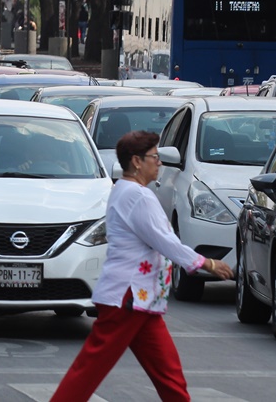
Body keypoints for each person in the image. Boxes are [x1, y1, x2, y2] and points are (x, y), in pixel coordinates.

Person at [50, 130, 233, 402]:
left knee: (168, 373)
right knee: (89, 370)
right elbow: (164, 241)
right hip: (128, 297)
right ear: (137, 161)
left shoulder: (124, 190)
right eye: (154, 157)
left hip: (141, 300)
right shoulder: (138, 196)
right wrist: (205, 263)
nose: (159, 162)